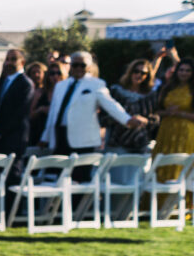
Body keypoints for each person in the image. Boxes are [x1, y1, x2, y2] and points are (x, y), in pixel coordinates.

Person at [42, 51, 147, 181]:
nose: (79, 68)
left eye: (82, 65)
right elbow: (53, 113)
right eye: (75, 65)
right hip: (60, 137)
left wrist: (127, 119)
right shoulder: (61, 85)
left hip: (83, 140)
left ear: (89, 66)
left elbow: (111, 105)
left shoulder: (96, 84)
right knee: (55, 179)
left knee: (79, 180)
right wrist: (45, 136)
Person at [152, 58, 194, 182]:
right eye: (181, 70)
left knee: (182, 162)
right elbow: (156, 111)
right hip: (166, 130)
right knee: (163, 161)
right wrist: (167, 113)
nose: (184, 73)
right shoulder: (167, 87)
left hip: (185, 131)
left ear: (193, 73)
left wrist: (179, 113)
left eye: (188, 70)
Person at [106, 59, 157, 154]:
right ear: (130, 72)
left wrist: (145, 121)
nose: (139, 75)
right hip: (117, 141)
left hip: (139, 143)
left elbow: (155, 118)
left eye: (143, 73)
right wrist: (126, 120)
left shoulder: (150, 95)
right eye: (136, 71)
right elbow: (104, 116)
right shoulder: (116, 91)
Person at [29, 59, 62, 148]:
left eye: (58, 73)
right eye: (52, 73)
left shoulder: (67, 94)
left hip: (59, 137)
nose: (55, 76)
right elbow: (30, 116)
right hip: (38, 134)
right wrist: (41, 109)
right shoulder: (40, 93)